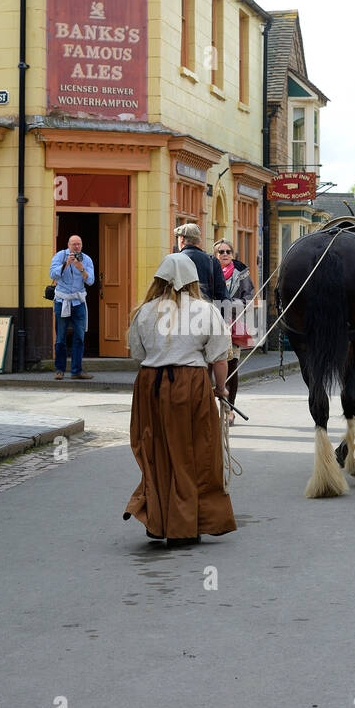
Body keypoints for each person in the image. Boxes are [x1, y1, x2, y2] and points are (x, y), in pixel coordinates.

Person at [123, 252, 236, 545]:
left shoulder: (143, 312)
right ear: (192, 280)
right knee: (195, 452)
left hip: (150, 385)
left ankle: (158, 520)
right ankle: (186, 523)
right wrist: (221, 389)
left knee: (155, 451)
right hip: (191, 384)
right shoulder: (204, 309)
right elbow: (220, 357)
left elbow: (137, 354)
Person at [213, 238, 255, 419]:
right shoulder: (210, 271)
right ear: (215, 255)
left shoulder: (241, 273)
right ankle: (212, 409)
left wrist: (231, 306)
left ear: (232, 254)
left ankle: (230, 409)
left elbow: (249, 297)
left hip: (233, 324)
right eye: (221, 252)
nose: (224, 255)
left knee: (232, 367)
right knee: (211, 366)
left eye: (228, 252)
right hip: (211, 324)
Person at [49, 234, 95, 380]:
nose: (76, 247)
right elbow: (52, 274)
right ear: (68, 245)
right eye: (73, 244)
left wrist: (81, 269)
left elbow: (91, 281)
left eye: (79, 244)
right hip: (62, 301)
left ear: (81, 245)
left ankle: (76, 371)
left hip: (78, 302)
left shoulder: (86, 259)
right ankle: (60, 370)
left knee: (79, 337)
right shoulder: (59, 256)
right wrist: (66, 264)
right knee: (61, 338)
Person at [174, 223, 227, 304]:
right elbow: (222, 295)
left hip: (180, 312)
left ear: (182, 239)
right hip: (206, 312)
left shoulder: (174, 260)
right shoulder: (212, 261)